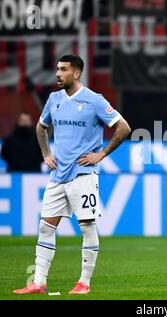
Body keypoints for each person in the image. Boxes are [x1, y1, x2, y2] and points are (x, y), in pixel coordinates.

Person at [13, 55, 131, 295]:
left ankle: (84, 283)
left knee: (87, 226)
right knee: (46, 226)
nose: (58, 74)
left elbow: (124, 127)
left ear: (76, 73)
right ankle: (39, 282)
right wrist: (46, 154)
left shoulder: (94, 100)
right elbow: (41, 127)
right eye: (57, 69)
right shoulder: (54, 99)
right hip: (58, 176)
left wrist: (101, 154)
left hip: (83, 175)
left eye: (63, 69)